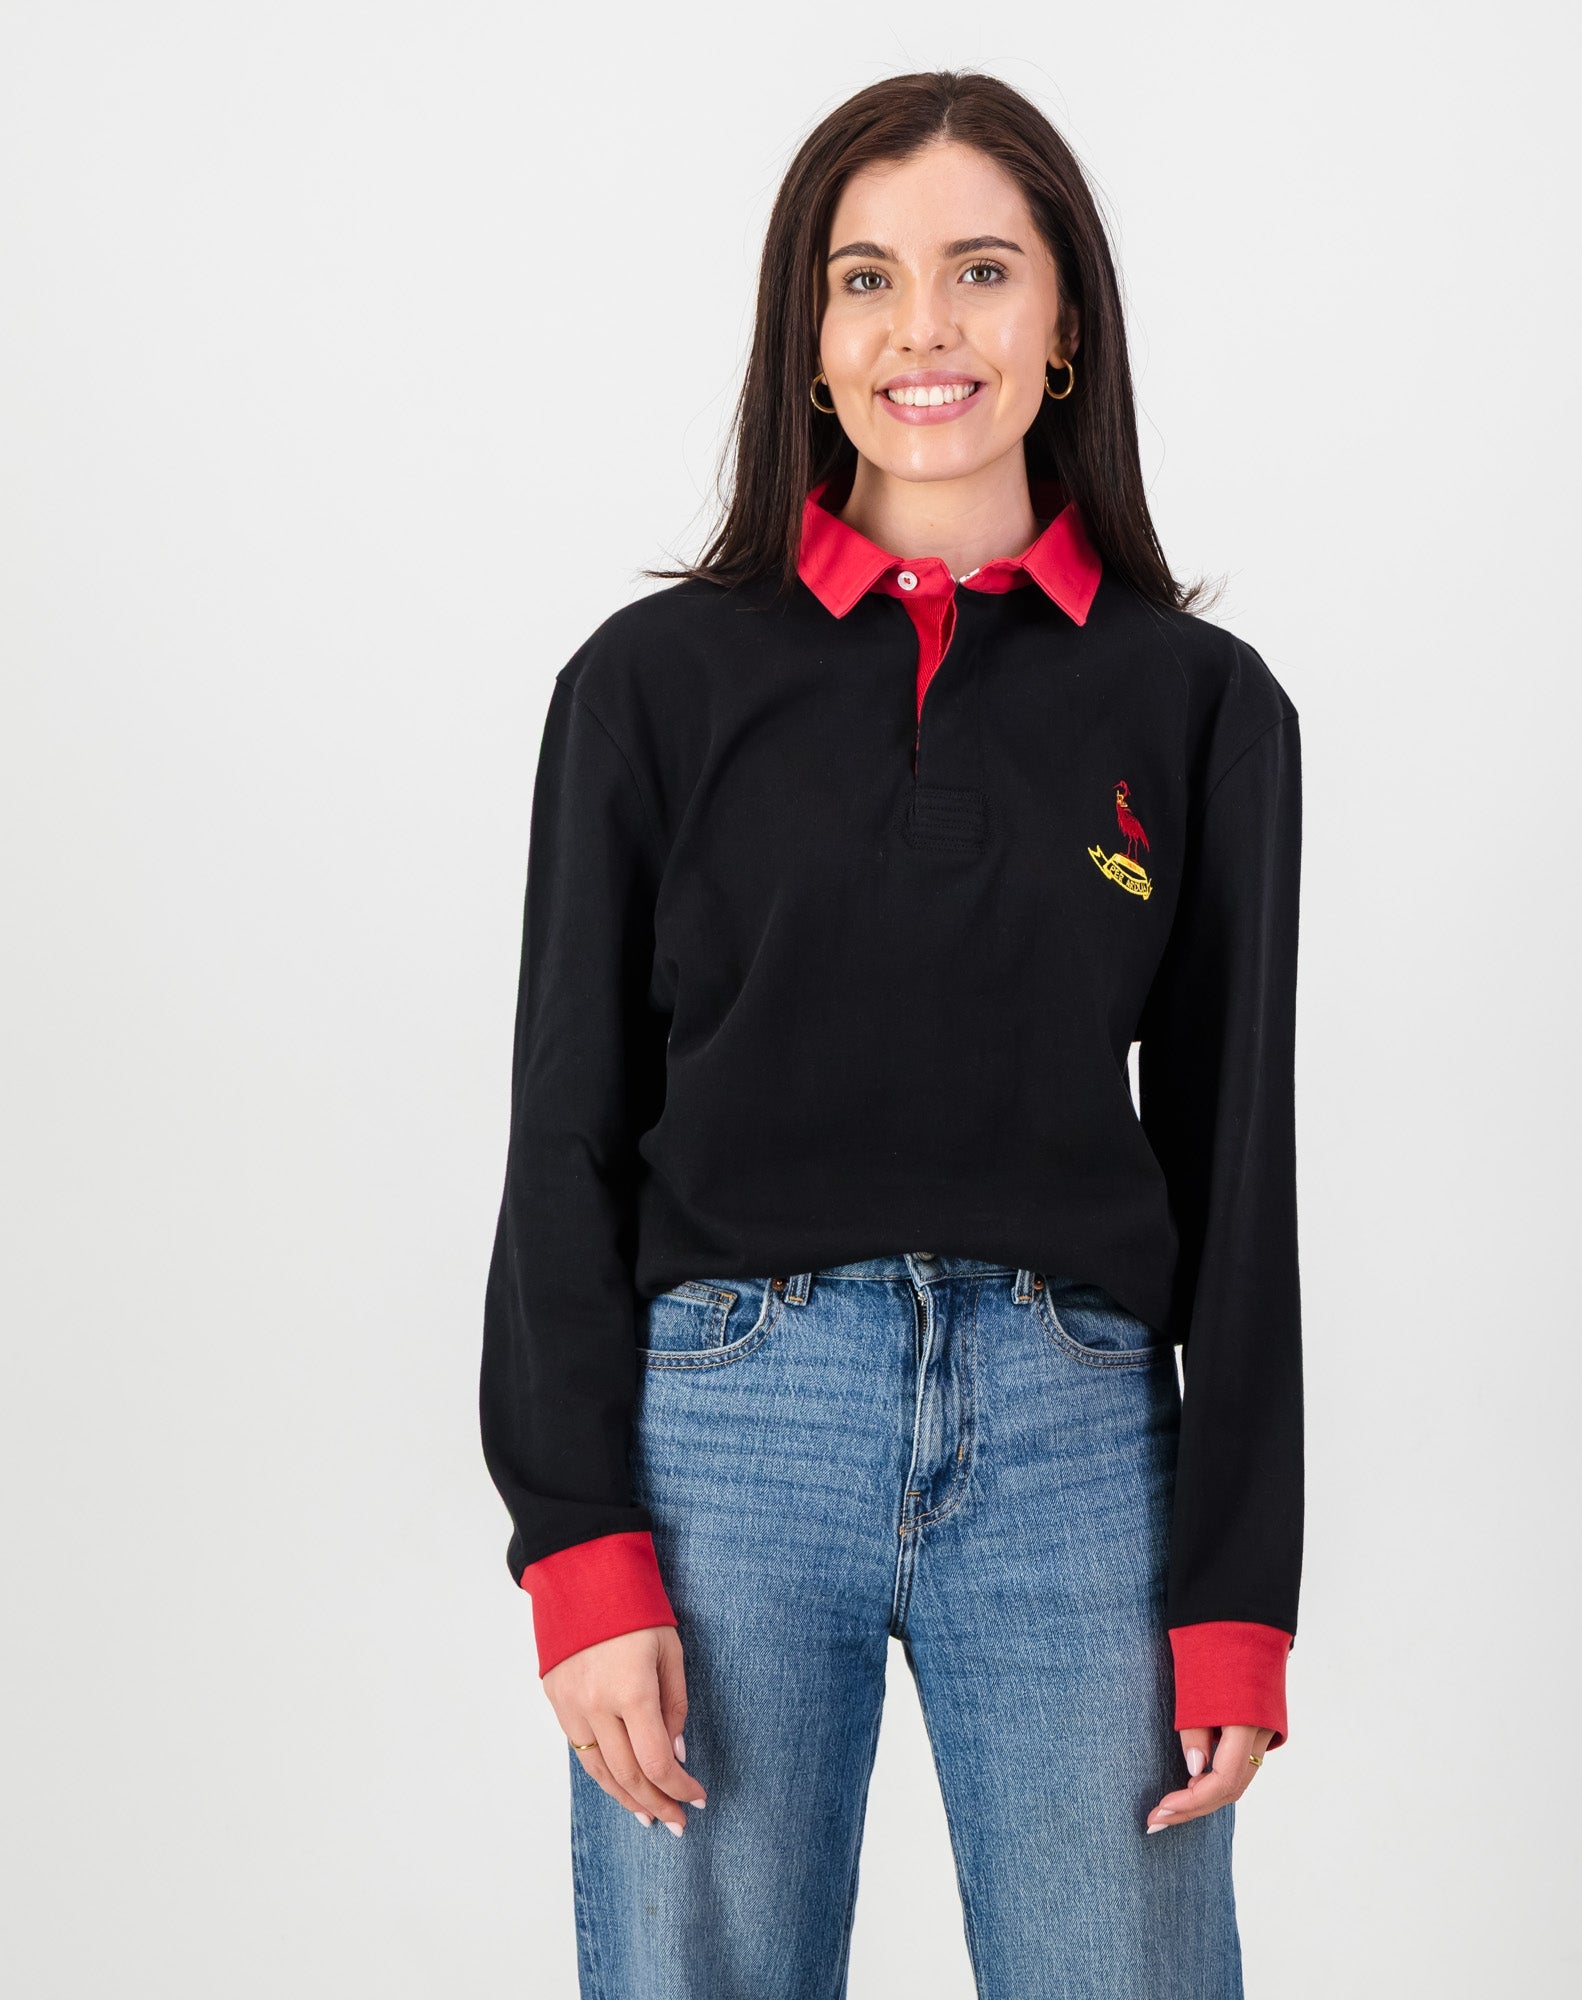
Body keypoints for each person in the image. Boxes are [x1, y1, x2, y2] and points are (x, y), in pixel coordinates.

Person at [479, 68, 1304, 2000]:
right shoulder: (649, 689)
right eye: (866, 278)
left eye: (982, 270)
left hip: (1082, 1442)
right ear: (810, 335)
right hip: (730, 1430)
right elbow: (564, 1132)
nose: (924, 328)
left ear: (1066, 322)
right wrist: (577, 1547)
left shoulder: (1201, 708)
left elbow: (1240, 1164)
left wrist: (1239, 1595)